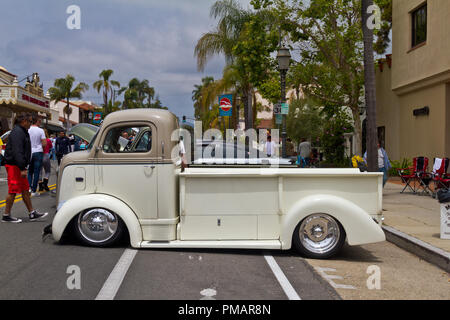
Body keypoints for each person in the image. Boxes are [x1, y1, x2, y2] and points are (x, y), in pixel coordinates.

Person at [2, 113, 48, 223]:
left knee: (25, 190)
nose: (31, 124)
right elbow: (17, 151)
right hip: (15, 165)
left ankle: (32, 213)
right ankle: (6, 215)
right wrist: (22, 167)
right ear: (23, 121)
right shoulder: (18, 132)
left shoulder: (22, 131)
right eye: (30, 122)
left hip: (18, 165)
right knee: (13, 190)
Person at [28, 114, 47, 197]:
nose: (40, 123)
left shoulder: (28, 129)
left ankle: (28, 188)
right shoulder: (40, 130)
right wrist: (41, 146)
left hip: (29, 152)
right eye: (40, 121)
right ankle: (33, 190)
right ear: (37, 121)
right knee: (36, 172)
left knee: (29, 171)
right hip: (38, 151)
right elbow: (44, 143)